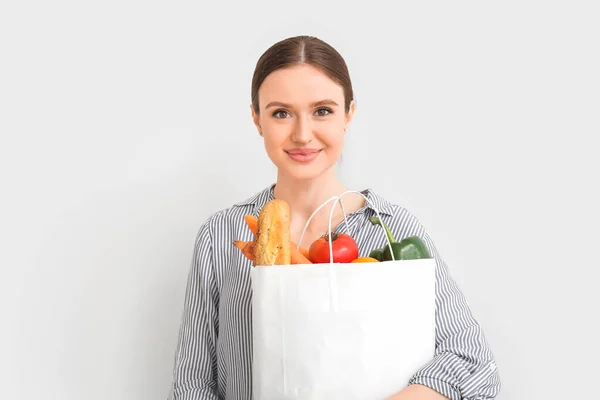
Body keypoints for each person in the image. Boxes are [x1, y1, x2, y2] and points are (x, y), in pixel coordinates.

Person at [167, 35, 501, 400]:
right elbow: (192, 385)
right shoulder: (220, 236)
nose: (303, 134)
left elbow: (473, 363)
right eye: (281, 112)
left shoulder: (393, 230)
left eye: (322, 110)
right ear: (257, 119)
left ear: (349, 115)